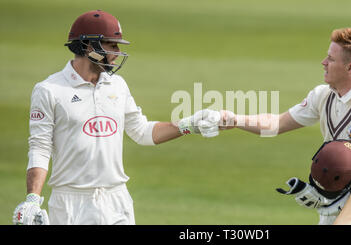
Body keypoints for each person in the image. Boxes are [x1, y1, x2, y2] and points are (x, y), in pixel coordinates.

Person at [13, 10, 220, 225]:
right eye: (112, 45)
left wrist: (190, 125)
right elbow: (40, 147)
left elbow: (141, 131)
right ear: (90, 47)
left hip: (116, 199)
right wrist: (32, 200)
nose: (117, 52)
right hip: (71, 204)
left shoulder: (117, 85)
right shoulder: (49, 90)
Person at [220, 27, 351, 225]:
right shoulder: (323, 95)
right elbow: (277, 123)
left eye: (331, 59)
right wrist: (236, 120)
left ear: (350, 68)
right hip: (331, 209)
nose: (324, 63)